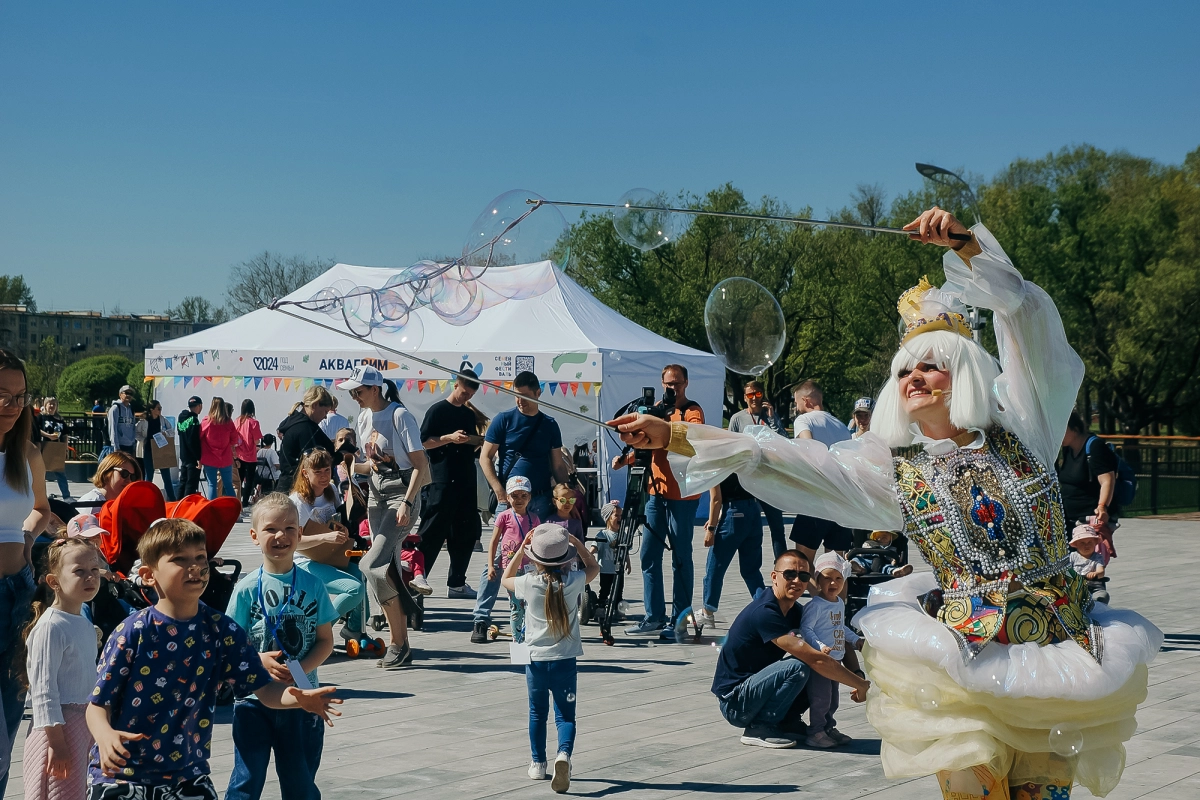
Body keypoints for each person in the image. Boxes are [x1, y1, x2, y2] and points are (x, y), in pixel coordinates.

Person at [609, 207, 1162, 798]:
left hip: (1057, 650)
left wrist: (969, 246)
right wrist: (675, 436)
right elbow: (784, 461)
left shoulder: (1026, 424)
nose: (916, 378)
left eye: (934, 366)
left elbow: (1029, 322)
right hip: (969, 661)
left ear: (968, 373)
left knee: (1040, 794)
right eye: (906, 369)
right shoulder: (891, 467)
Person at [85, 518, 340, 800]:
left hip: (187, 772)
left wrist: (297, 698)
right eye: (180, 560)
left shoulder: (221, 630)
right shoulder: (133, 632)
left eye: (200, 557)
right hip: (123, 772)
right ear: (148, 575)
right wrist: (105, 735)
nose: (195, 567)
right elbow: (97, 705)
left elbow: (264, 689)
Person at [225, 493, 338, 800]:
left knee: (300, 783)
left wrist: (301, 668)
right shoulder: (246, 588)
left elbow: (326, 641)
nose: (281, 535)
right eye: (271, 528)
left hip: (303, 700)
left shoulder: (313, 584)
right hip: (253, 700)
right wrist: (257, 659)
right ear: (254, 535)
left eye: (290, 528)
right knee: (246, 782)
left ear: (300, 533)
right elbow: (231, 646)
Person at [706, 550, 868, 748]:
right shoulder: (765, 612)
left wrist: (858, 674)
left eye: (803, 576)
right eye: (790, 574)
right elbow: (816, 660)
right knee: (801, 665)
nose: (796, 581)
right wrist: (860, 685)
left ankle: (788, 722)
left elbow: (837, 635)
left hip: (757, 690)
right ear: (774, 577)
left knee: (811, 669)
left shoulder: (795, 611)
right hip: (736, 702)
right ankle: (759, 727)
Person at [341, 364, 429, 669]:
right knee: (385, 564)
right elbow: (370, 465)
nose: (354, 395)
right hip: (377, 495)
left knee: (372, 563)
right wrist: (351, 467)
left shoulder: (399, 415)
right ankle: (401, 642)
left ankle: (398, 641)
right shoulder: (364, 417)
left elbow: (420, 464)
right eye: (352, 391)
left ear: (376, 389)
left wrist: (407, 502)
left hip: (400, 494)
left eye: (359, 390)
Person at [501, 523, 600, 793]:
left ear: (537, 559)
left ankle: (537, 763)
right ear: (565, 557)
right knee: (565, 716)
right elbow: (594, 569)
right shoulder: (574, 581)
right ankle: (563, 755)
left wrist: (521, 551)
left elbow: (504, 580)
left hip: (535, 661)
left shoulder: (528, 583)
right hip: (565, 661)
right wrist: (579, 546)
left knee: (537, 713)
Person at [613, 364, 705, 639]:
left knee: (681, 557)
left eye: (676, 383)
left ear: (686, 383)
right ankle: (653, 616)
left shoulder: (692, 410)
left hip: (683, 496)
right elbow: (645, 444)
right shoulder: (654, 408)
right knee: (648, 555)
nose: (672, 388)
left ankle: (679, 621)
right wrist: (625, 458)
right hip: (656, 493)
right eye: (668, 383)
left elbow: (689, 439)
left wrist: (661, 423)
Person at [476, 371, 568, 628]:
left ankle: (536, 615)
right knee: (497, 559)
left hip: (539, 500)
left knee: (540, 558)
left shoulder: (549, 424)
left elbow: (557, 464)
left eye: (525, 396)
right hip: (509, 501)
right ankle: (481, 617)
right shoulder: (503, 420)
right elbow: (485, 457)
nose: (520, 401)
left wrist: (568, 490)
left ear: (538, 393)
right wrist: (497, 489)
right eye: (516, 395)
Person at [0, 349, 51, 796]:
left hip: (18, 593)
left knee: (10, 718)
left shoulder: (26, 452)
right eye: (1, 395)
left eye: (18, 396)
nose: (11, 406)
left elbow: (40, 510)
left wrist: (29, 538)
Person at [18, 537, 103, 800]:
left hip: (82, 725)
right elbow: (43, 690)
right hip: (58, 729)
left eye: (94, 570)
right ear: (54, 581)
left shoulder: (83, 622)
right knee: (57, 792)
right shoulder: (51, 626)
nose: (89, 577)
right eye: (79, 571)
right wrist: (56, 742)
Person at [289, 449, 368, 642]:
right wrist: (327, 538)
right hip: (304, 562)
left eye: (327, 470)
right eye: (318, 472)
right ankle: (315, 635)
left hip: (331, 556)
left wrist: (343, 531)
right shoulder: (297, 501)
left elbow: (334, 522)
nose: (324, 476)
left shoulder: (332, 491)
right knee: (354, 589)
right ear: (305, 473)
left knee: (361, 577)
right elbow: (294, 544)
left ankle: (354, 628)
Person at [418, 375, 484, 600]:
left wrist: (476, 441)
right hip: (442, 477)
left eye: (471, 395)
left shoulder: (467, 414)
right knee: (433, 528)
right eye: (465, 392)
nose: (467, 397)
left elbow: (467, 442)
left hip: (465, 476)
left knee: (464, 531)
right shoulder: (437, 410)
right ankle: (418, 575)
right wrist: (449, 438)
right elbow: (424, 441)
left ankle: (457, 581)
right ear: (456, 385)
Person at [799, 552, 863, 749]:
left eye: (838, 578)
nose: (833, 583)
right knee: (821, 699)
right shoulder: (816, 605)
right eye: (827, 578)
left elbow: (839, 628)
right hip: (821, 661)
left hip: (836, 660)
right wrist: (819, 646)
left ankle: (828, 727)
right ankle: (816, 731)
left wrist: (854, 640)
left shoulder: (839, 604)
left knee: (833, 699)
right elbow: (806, 629)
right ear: (817, 580)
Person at [787, 380, 854, 566]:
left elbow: (810, 448)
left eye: (796, 401)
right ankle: (837, 597)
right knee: (836, 567)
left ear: (806, 400)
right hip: (841, 502)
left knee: (802, 564)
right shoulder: (841, 426)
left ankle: (817, 595)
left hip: (816, 500)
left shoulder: (804, 420)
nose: (796, 407)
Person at [473, 475, 541, 643]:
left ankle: (528, 633)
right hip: (509, 568)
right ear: (508, 497)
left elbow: (539, 544)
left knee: (530, 603)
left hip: (528, 569)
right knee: (516, 605)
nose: (519, 499)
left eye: (523, 496)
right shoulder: (504, 516)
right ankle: (517, 639)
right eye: (515, 496)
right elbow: (494, 542)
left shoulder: (534, 518)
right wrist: (491, 566)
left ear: (529, 497)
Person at [727, 379, 789, 559]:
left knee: (777, 528)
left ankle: (782, 566)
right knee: (748, 527)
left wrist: (772, 419)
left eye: (758, 394)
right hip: (747, 479)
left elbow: (784, 443)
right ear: (745, 398)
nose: (754, 398)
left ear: (763, 395)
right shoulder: (737, 419)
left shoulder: (770, 416)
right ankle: (751, 564)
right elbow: (732, 447)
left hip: (769, 479)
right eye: (750, 395)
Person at [698, 471, 765, 629]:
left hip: (733, 514)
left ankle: (708, 611)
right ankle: (767, 610)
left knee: (715, 567)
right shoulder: (744, 458)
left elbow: (716, 499)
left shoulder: (716, 463)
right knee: (751, 570)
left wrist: (712, 528)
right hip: (753, 511)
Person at [1058, 409, 1121, 558]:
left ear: (1074, 428)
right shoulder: (1067, 450)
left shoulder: (1094, 447)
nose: (1057, 434)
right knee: (1073, 566)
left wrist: (1102, 507)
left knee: (1089, 566)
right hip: (1069, 518)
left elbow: (1107, 479)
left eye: (1061, 429)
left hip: (1088, 520)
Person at [277, 386, 337, 493]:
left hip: (285, 485)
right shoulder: (308, 429)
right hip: (299, 490)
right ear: (315, 405)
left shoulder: (292, 423)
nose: (325, 417)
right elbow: (320, 460)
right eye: (325, 412)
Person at [135, 400, 178, 502]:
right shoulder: (144, 421)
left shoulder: (163, 420)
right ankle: (145, 498)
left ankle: (172, 499)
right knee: (149, 475)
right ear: (152, 409)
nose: (160, 410)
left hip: (161, 450)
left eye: (161, 408)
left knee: (166, 476)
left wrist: (165, 434)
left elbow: (172, 430)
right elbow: (136, 433)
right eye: (158, 408)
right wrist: (143, 439)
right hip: (148, 450)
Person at [593, 501, 627, 621]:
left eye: (621, 515)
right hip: (606, 569)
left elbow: (625, 550)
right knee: (605, 589)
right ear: (608, 518)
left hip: (619, 569)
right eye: (616, 516)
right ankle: (600, 608)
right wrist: (589, 554)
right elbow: (595, 546)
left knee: (619, 590)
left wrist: (628, 561)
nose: (619, 518)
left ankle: (618, 609)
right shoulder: (603, 534)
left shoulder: (623, 534)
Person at [200, 396, 239, 500]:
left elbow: (199, 437)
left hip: (209, 457)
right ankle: (234, 509)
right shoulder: (229, 422)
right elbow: (234, 439)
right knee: (228, 485)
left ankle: (212, 510)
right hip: (225, 458)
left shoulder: (206, 422)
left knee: (212, 485)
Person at [77, 451, 142, 506]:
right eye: (124, 473)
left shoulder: (125, 505)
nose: (129, 480)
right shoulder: (91, 504)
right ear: (106, 472)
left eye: (133, 477)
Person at [38, 396, 73, 501]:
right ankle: (41, 496)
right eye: (50, 403)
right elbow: (36, 429)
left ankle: (66, 496)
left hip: (57, 448)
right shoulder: (41, 417)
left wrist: (65, 449)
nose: (52, 406)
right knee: (40, 473)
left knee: (60, 472)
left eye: (54, 404)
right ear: (45, 405)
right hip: (44, 446)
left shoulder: (60, 419)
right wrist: (48, 435)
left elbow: (65, 435)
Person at [849, 530, 913, 577]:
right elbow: (861, 553)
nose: (884, 534)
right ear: (875, 537)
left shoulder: (893, 549)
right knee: (857, 558)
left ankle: (897, 571)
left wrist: (894, 561)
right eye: (881, 533)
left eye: (887, 533)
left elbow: (893, 559)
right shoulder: (868, 543)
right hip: (868, 561)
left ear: (891, 538)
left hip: (883, 563)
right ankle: (858, 568)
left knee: (888, 567)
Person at [235, 400, 263, 507]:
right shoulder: (254, 423)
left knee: (238, 479)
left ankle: (237, 500)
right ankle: (245, 502)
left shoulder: (237, 421)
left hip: (238, 454)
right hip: (250, 455)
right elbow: (256, 441)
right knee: (249, 480)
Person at [176, 395, 204, 498]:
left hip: (183, 455)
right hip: (192, 457)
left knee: (182, 482)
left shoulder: (181, 419)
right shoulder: (194, 420)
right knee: (191, 484)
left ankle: (178, 505)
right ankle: (186, 507)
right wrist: (198, 457)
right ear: (199, 406)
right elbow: (193, 441)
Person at [107, 385, 137, 456]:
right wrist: (116, 447)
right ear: (120, 394)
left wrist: (134, 445)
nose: (128, 395)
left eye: (131, 394)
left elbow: (133, 428)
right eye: (126, 393)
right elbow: (113, 428)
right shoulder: (115, 409)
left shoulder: (131, 410)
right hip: (119, 446)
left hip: (130, 446)